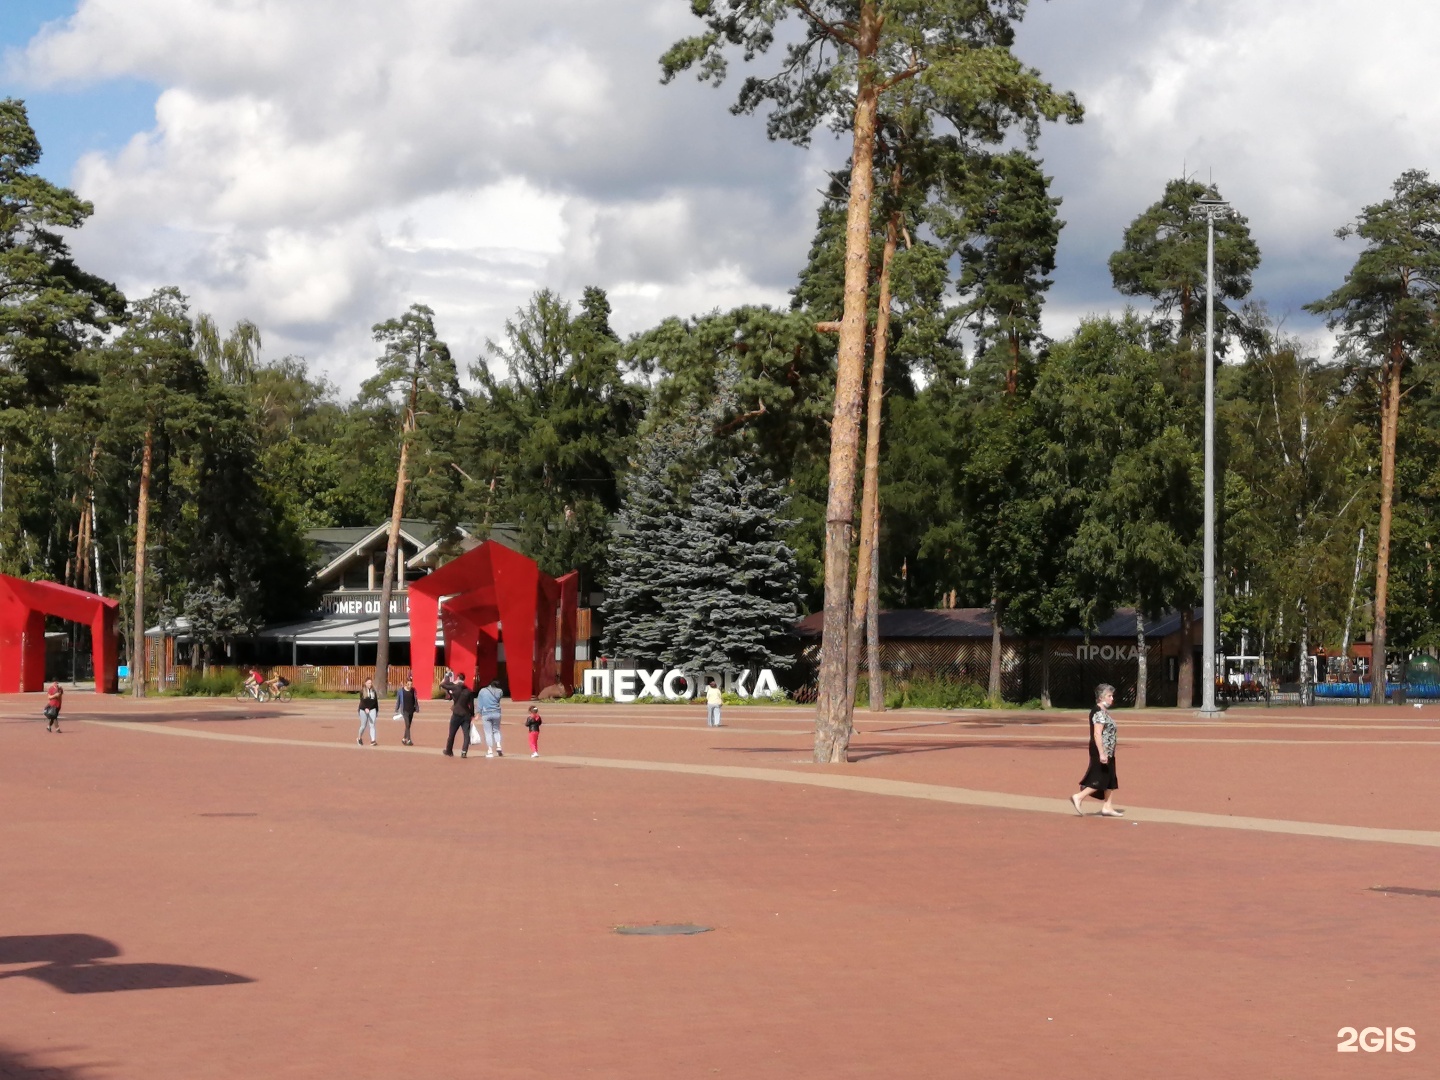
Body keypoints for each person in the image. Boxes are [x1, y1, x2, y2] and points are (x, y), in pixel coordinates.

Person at [1071, 682, 1123, 817]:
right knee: (1101, 777)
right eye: (1109, 696)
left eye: (1112, 696)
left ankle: (1108, 806)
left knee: (1110, 777)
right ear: (1101, 697)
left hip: (1108, 750)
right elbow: (1097, 733)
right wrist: (1101, 753)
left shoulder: (1104, 712)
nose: (1112, 698)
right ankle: (1079, 796)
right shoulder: (1098, 712)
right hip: (1101, 750)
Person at [443, 673, 474, 758]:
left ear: (458, 679)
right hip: (466, 714)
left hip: (456, 713)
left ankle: (449, 751)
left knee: (452, 733)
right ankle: (464, 752)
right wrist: (472, 715)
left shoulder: (455, 688)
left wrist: (448, 678)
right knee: (466, 734)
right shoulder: (469, 691)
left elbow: (443, 685)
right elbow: (471, 705)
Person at [476, 679, 504, 757]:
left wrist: (478, 713)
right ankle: (498, 745)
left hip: (486, 713)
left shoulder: (483, 691)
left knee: (488, 732)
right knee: (496, 730)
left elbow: (480, 703)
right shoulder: (500, 691)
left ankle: (490, 750)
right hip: (496, 712)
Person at [395, 675, 419, 746]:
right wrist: (396, 708)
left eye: (411, 684)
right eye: (408, 684)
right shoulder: (401, 691)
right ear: (406, 684)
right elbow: (398, 700)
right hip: (404, 710)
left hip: (411, 710)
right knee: (407, 724)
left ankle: (404, 738)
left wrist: (417, 707)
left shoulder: (413, 690)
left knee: (408, 726)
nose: (410, 685)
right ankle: (409, 740)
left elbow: (415, 700)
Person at [357, 678, 379, 747]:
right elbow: (362, 701)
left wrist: (377, 710)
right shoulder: (362, 691)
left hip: (372, 709)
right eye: (369, 683)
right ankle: (359, 738)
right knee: (363, 726)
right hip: (363, 710)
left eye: (371, 683)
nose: (370, 684)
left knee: (372, 725)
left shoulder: (373, 691)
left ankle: (373, 740)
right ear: (365, 683)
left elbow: (375, 702)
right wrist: (365, 708)